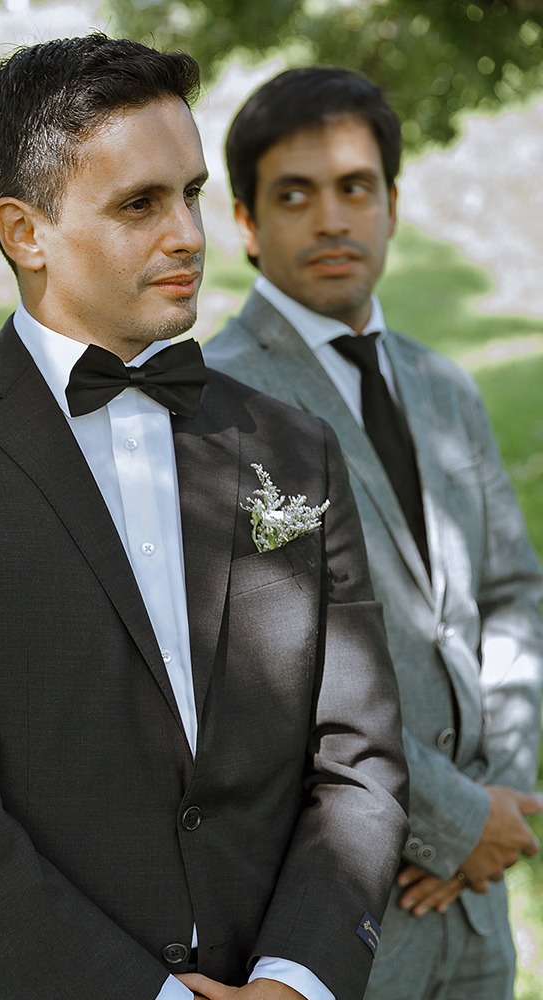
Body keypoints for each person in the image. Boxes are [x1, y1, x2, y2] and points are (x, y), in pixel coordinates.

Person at [0, 37, 409, 1000]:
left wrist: (297, 978)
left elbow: (359, 754)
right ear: (25, 232)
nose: (187, 234)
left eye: (191, 194)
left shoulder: (293, 448)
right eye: (140, 204)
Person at [205, 66, 543, 1000]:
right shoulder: (216, 404)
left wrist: (497, 802)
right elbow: (261, 666)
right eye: (294, 195)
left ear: (392, 203)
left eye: (355, 187)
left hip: (475, 901)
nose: (331, 219)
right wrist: (447, 817)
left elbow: (512, 592)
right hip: (329, 911)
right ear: (245, 222)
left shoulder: (446, 389)